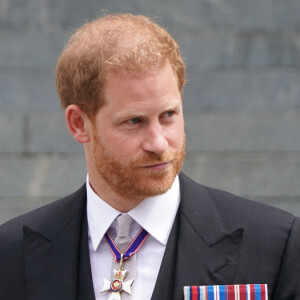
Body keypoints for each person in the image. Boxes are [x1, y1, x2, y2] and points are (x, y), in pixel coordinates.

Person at [0, 13, 299, 300]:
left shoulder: (273, 245)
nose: (158, 143)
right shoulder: (12, 255)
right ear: (80, 124)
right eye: (135, 121)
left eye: (169, 115)